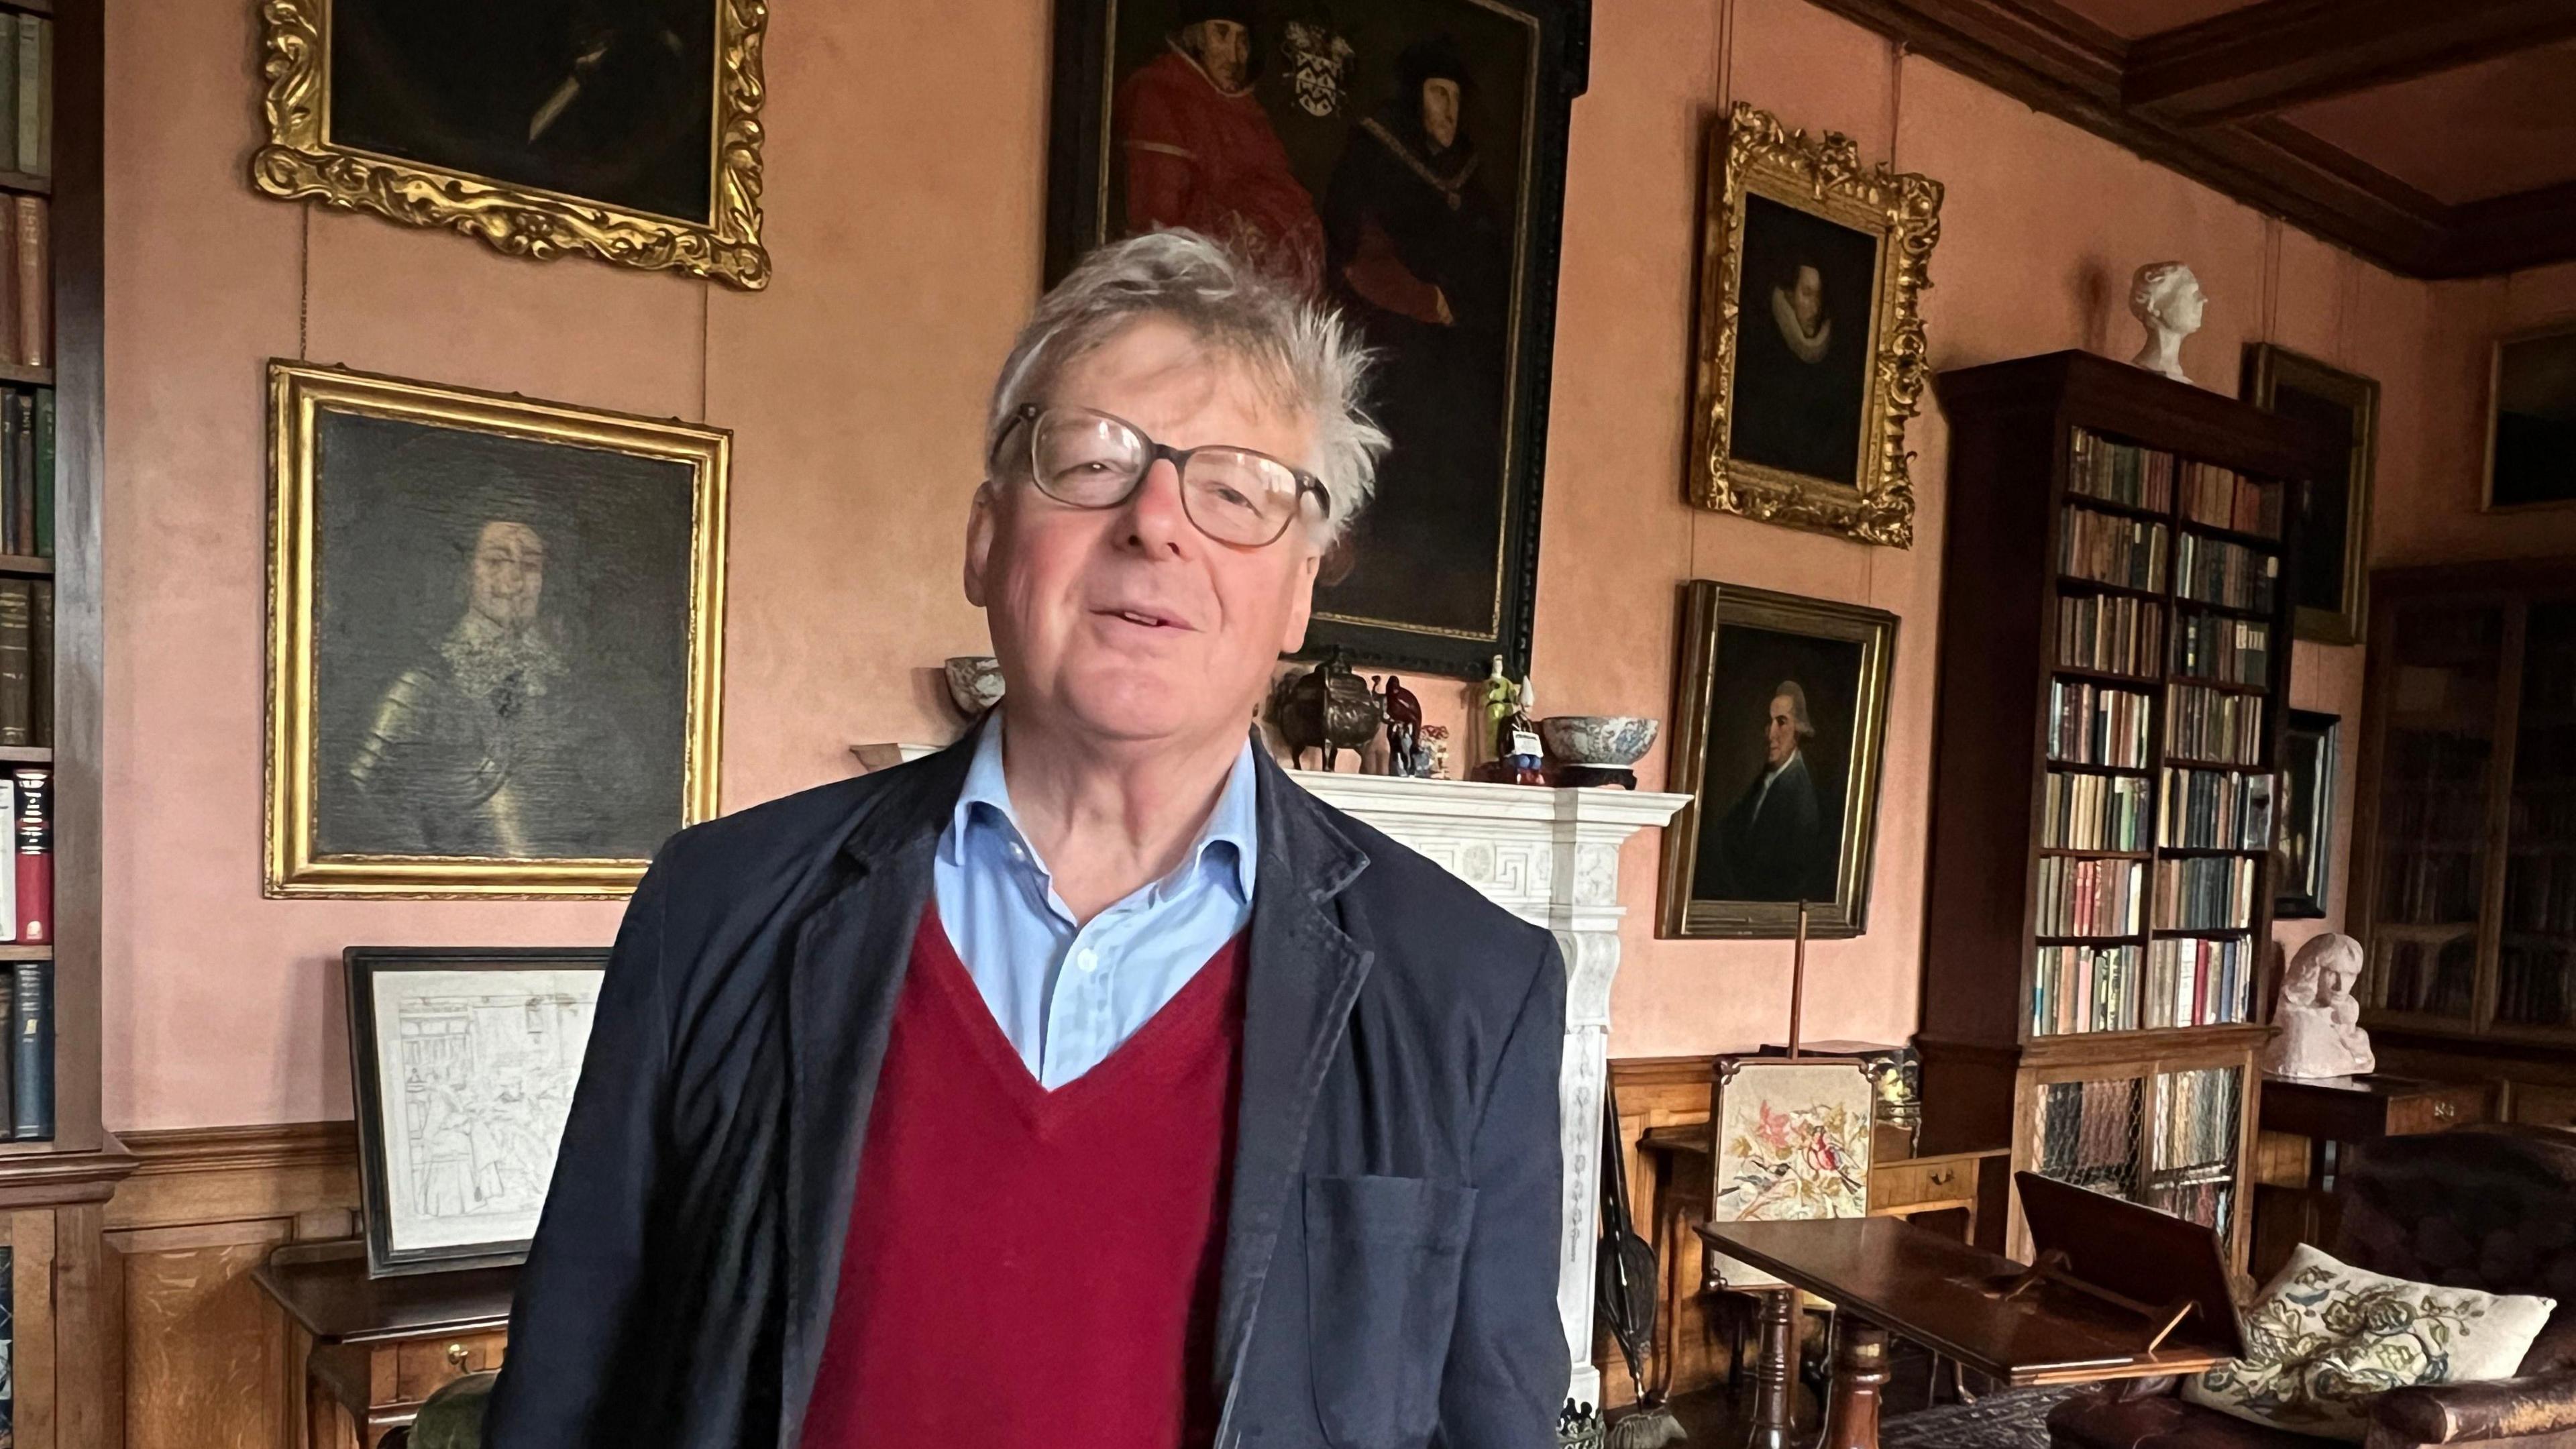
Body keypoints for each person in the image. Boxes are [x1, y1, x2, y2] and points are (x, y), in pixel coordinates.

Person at [484, 231, 1571, 1448]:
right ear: (987, 537)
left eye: (1234, 491)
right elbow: (566, 1392)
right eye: (1094, 463)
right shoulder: (721, 905)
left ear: (1301, 590)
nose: (1157, 522)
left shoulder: (1474, 986)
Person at [1318, 36, 1513, 634]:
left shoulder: (1472, 178)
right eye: (1437, 95)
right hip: (1390, 342)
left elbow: (1493, 263)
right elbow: (1354, 253)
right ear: (1415, 98)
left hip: (1453, 354)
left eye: (1454, 98)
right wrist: (1423, 300)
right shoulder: (1377, 155)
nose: (1448, 112)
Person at [344, 517, 625, 859]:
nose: (515, 580)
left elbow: (622, 793)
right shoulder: (421, 689)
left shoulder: (570, 692)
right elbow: (367, 794)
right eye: (496, 561)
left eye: (530, 566)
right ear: (466, 574)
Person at [1117, 1, 1326, 291]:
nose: (1235, 56)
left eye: (1243, 40)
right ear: (1195, 37)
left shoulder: (1247, 110)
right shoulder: (1161, 95)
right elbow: (1156, 227)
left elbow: (1287, 199)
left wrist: (1268, 227)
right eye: (1222, 34)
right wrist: (1235, 229)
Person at [1729, 256, 1866, 484]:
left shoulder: (1837, 364)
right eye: (1807, 294)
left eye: (1820, 296)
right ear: (1789, 296)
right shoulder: (1762, 356)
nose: (1815, 307)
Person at [1699, 680, 1832, 903]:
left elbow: (1779, 874)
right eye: (1769, 723)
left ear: (1799, 728)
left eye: (1781, 723)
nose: (1771, 734)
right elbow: (1728, 831)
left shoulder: (1801, 795)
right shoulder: (1763, 779)